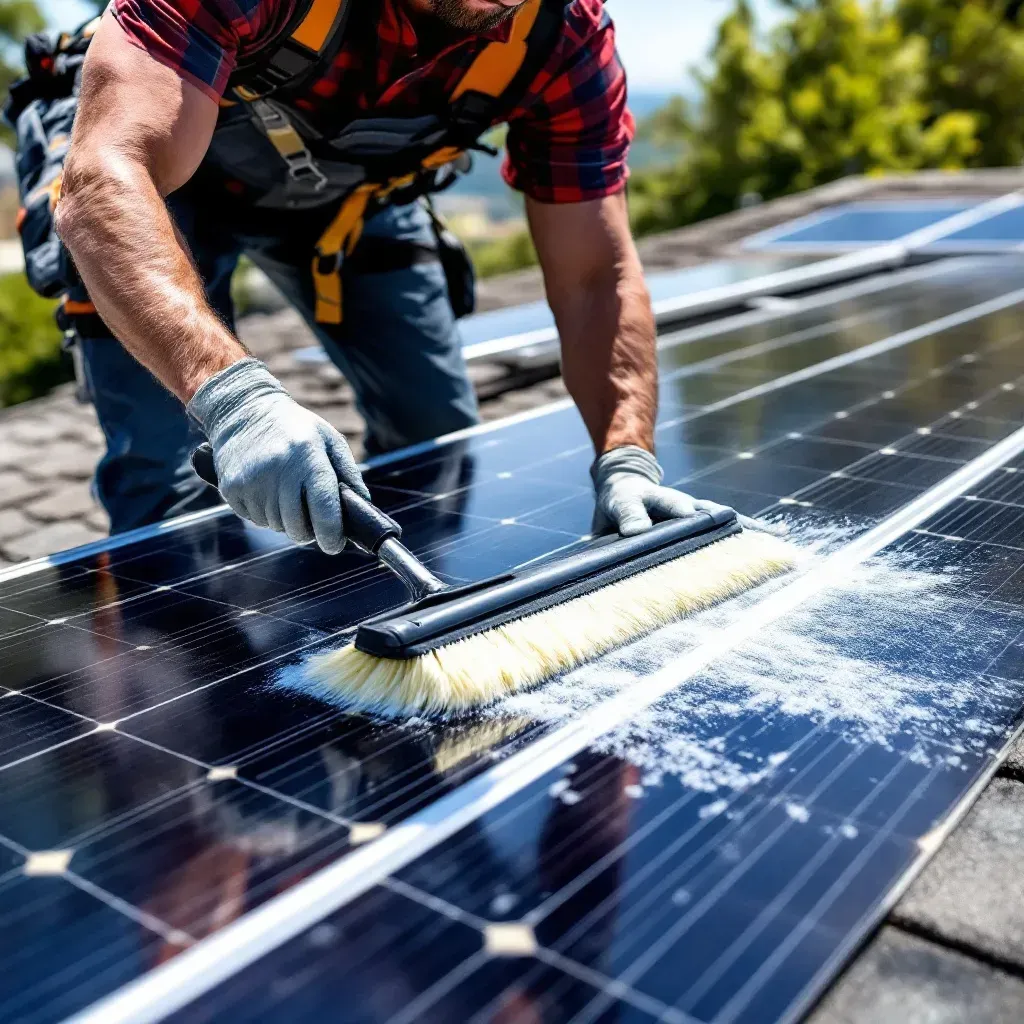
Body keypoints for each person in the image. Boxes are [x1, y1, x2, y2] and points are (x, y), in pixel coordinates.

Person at [56, 0, 716, 553]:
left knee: (435, 446)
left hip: (349, 204)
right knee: (168, 491)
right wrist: (234, 401)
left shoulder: (564, 38)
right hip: (152, 194)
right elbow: (105, 176)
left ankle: (347, 631)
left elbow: (595, 276)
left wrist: (627, 454)